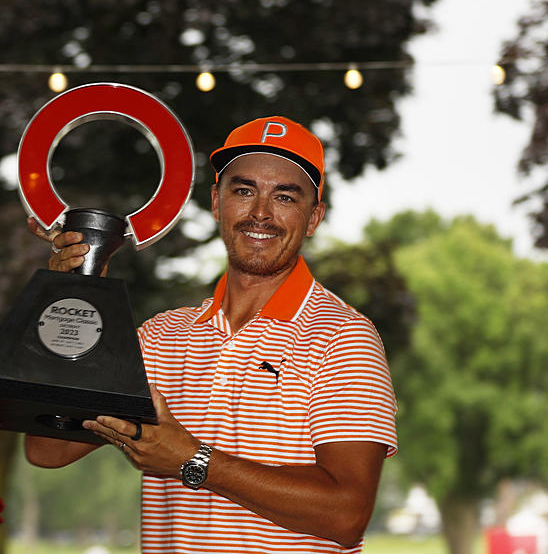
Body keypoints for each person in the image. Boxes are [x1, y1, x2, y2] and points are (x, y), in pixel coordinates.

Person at [25, 117, 397, 553]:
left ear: (313, 217)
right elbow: (48, 448)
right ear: (217, 203)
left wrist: (191, 459)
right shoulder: (162, 337)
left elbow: (348, 514)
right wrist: (79, 295)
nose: (260, 212)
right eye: (243, 190)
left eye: (284, 196)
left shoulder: (342, 336)